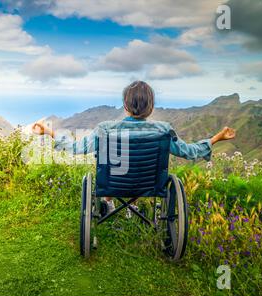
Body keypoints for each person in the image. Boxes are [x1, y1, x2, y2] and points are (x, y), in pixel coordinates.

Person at [32, 80, 236, 215]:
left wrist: (49, 132)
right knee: (138, 165)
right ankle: (133, 205)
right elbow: (189, 152)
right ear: (152, 107)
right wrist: (216, 138)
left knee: (112, 161)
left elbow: (76, 148)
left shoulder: (105, 130)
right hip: (149, 185)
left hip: (113, 184)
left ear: (125, 106)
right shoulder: (164, 131)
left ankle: (110, 201)